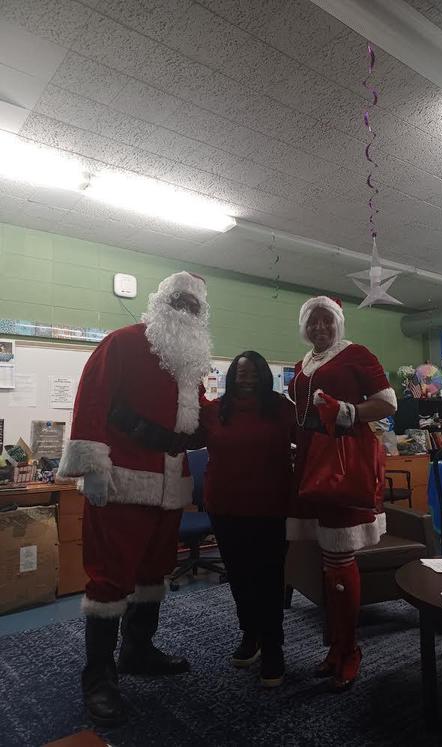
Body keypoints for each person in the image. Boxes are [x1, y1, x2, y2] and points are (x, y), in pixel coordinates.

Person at [58, 271, 211, 726]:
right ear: (160, 302)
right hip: (122, 480)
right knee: (110, 578)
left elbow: (200, 418)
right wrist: (92, 466)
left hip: (170, 483)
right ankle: (98, 678)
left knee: (153, 571)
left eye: (194, 305)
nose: (185, 310)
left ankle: (138, 651)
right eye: (178, 300)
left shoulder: (190, 364)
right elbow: (91, 400)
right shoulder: (122, 343)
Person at [288, 295, 397, 692]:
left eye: (326, 320)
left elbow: (387, 403)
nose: (319, 327)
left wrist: (348, 411)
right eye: (312, 321)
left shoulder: (357, 355)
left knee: (339, 558)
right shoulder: (302, 364)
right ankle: (336, 646)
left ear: (338, 322)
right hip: (310, 461)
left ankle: (349, 649)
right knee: (327, 557)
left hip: (343, 462)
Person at [191, 351, 294, 687]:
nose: (246, 379)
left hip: (270, 508)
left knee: (269, 579)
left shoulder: (281, 408)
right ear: (231, 377)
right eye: (240, 373)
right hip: (225, 508)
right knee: (239, 577)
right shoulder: (215, 410)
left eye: (252, 373)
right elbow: (187, 436)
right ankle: (250, 635)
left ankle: (273, 646)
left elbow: (310, 440)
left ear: (264, 376)